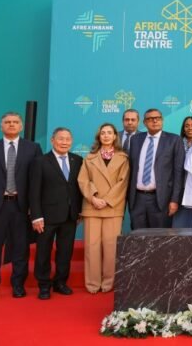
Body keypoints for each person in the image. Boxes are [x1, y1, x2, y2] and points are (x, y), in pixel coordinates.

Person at [0, 112, 42, 301]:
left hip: (22, 207)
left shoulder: (33, 148)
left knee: (21, 248)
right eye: (7, 122)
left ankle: (18, 285)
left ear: (21, 126)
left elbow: (37, 180)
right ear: (1, 126)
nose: (11, 125)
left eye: (15, 122)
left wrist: (35, 208)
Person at [29, 127, 83, 299]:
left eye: (68, 139)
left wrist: (79, 211)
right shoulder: (40, 161)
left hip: (70, 215)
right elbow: (34, 191)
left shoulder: (77, 160)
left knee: (65, 252)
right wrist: (36, 216)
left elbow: (79, 188)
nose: (64, 142)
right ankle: (44, 285)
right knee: (43, 252)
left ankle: (60, 282)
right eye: (61, 139)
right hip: (46, 216)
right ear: (52, 140)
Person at [77, 123, 129, 294]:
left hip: (112, 207)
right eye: (103, 133)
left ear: (115, 136)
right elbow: (83, 180)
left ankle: (108, 282)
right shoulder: (89, 158)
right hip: (92, 206)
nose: (106, 135)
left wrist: (106, 200)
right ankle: (92, 283)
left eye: (109, 133)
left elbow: (123, 182)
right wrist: (93, 198)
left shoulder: (123, 158)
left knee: (111, 247)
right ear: (99, 137)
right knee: (91, 247)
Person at [127, 109, 184, 229]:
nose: (154, 121)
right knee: (137, 237)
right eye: (150, 119)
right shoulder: (135, 140)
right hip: (137, 199)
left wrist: (175, 200)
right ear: (144, 122)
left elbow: (178, 173)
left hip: (161, 200)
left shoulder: (174, 140)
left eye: (157, 118)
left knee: (159, 237)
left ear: (162, 120)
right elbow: (130, 168)